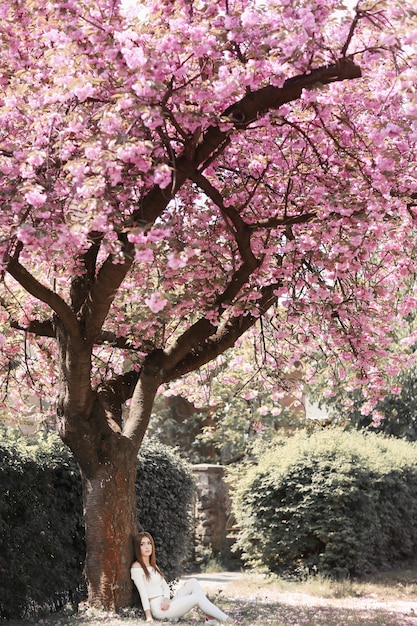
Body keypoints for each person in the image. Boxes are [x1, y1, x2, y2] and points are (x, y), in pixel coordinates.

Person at [131, 531, 236, 624]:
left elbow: (165, 586)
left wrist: (166, 599)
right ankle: (228, 620)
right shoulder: (136, 567)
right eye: (142, 544)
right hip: (158, 609)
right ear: (137, 547)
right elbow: (143, 593)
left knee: (193, 582)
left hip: (167, 603)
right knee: (197, 597)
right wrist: (148, 616)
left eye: (149, 543)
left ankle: (211, 617)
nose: (147, 547)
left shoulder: (154, 565)